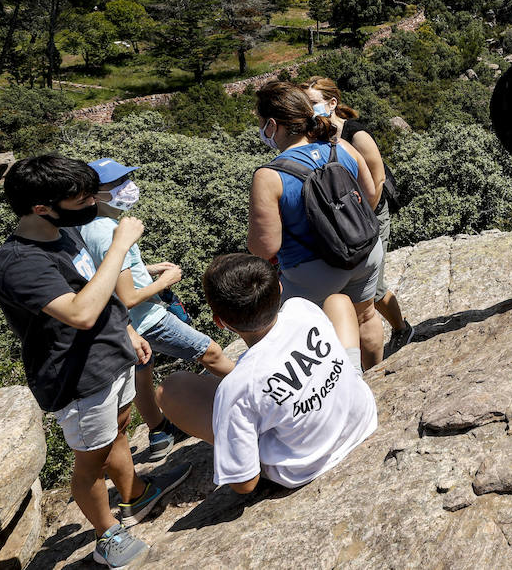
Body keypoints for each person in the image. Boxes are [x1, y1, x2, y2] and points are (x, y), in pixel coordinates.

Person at [0, 155, 190, 569]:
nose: (92, 206)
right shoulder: (22, 263)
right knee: (90, 461)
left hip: (108, 355)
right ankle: (106, 536)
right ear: (41, 207)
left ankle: (136, 494)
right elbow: (80, 312)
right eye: (81, 201)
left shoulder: (61, 233)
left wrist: (128, 332)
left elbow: (95, 286)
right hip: (77, 376)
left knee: (118, 432)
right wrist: (120, 244)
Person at [157, 254, 377, 494]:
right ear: (280, 289)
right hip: (362, 415)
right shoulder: (301, 307)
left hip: (303, 466)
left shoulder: (238, 385)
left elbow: (245, 484)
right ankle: (351, 376)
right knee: (338, 301)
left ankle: (246, 447)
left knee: (171, 388)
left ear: (220, 322)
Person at [79, 157, 237, 459]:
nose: (126, 187)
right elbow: (128, 297)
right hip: (146, 318)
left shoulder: (91, 227)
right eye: (115, 184)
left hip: (122, 326)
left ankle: (160, 432)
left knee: (142, 374)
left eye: (125, 180)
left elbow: (109, 273)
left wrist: (145, 268)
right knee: (210, 351)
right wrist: (166, 281)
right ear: (93, 195)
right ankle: (262, 395)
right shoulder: (109, 232)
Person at [247, 82, 386, 367]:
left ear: (272, 125)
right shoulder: (341, 146)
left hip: (313, 273)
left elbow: (265, 247)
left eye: (261, 123)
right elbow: (371, 194)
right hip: (365, 253)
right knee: (366, 316)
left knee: (314, 337)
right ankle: (375, 381)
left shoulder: (269, 176)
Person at [302, 77, 413, 348]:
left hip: (371, 214)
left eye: (313, 103)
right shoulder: (317, 132)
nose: (309, 109)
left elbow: (377, 179)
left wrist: (366, 219)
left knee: (371, 288)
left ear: (332, 103)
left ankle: (402, 329)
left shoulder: (356, 134)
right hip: (343, 217)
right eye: (306, 104)